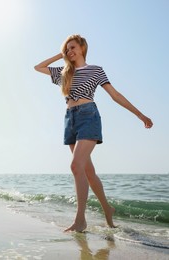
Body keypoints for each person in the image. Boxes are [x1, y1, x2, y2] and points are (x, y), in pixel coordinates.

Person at [34, 34, 153, 232]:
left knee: (75, 165)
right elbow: (38, 67)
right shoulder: (64, 72)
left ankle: (80, 220)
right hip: (69, 119)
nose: (70, 52)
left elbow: (115, 95)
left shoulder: (96, 70)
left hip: (88, 116)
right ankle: (108, 208)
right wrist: (60, 55)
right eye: (67, 49)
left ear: (82, 47)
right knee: (87, 171)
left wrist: (140, 115)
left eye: (72, 47)